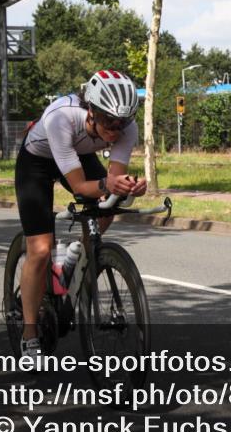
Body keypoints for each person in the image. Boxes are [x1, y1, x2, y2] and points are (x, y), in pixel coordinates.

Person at [14, 69, 147, 358]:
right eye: (109, 121)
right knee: (40, 248)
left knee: (107, 209)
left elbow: (112, 186)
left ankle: (74, 269)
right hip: (37, 161)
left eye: (122, 123)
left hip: (77, 154)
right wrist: (106, 184)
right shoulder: (61, 117)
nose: (115, 130)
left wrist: (129, 188)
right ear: (91, 111)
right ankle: (29, 333)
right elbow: (78, 186)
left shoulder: (127, 128)